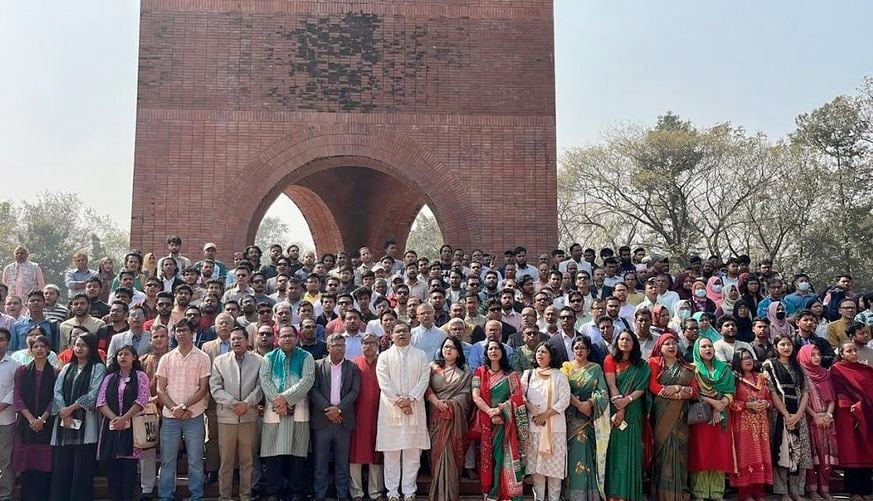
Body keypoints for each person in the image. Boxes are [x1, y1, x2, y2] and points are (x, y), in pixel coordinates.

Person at [156, 319, 212, 501]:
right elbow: (159, 389)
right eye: (177, 331)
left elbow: (203, 389)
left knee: (195, 460)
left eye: (184, 330)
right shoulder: (167, 358)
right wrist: (174, 408)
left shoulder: (203, 357)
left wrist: (184, 407)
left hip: (193, 415)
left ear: (192, 333)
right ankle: (165, 496)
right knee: (167, 460)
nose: (180, 334)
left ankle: (196, 495)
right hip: (170, 416)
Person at [259, 325, 315, 501]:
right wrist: (280, 403)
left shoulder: (306, 356)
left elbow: (307, 380)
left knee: (297, 454)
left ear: (297, 337)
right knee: (272, 454)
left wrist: (285, 399)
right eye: (283, 336)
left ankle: (295, 491)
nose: (287, 339)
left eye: (290, 335)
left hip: (298, 411)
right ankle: (274, 491)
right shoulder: (269, 357)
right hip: (274, 412)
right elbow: (265, 381)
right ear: (277, 338)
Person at [375, 322, 431, 501]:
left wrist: (411, 398)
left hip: (414, 408)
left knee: (413, 453)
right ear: (391, 335)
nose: (401, 334)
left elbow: (424, 379)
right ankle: (392, 492)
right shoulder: (384, 356)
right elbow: (383, 382)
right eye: (397, 332)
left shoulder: (421, 355)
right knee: (391, 453)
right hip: (390, 409)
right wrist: (400, 401)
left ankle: (409, 491)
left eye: (404, 331)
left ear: (410, 335)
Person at [49, 331, 107, 501]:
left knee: (82, 468)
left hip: (86, 424)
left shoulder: (98, 367)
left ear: (91, 348)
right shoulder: (67, 367)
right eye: (77, 344)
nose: (79, 348)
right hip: (63, 424)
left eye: (83, 345)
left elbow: (93, 393)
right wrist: (63, 412)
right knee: (62, 466)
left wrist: (71, 409)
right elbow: (57, 391)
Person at [209, 326, 264, 501]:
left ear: (247, 341)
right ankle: (224, 497)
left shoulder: (259, 360)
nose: (236, 342)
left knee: (247, 460)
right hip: (227, 417)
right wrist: (233, 404)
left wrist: (247, 403)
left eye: (239, 338)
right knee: (226, 461)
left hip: (248, 416)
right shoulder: (219, 361)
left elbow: (261, 386)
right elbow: (215, 388)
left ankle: (245, 496)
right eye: (233, 339)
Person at [470, 339, 528, 501]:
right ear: (486, 353)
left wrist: (501, 410)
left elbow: (517, 398)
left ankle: (503, 492)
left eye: (497, 348)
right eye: (490, 349)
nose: (493, 351)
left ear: (502, 352)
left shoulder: (512, 375)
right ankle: (490, 492)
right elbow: (475, 396)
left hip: (506, 423)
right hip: (486, 422)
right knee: (489, 458)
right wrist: (490, 411)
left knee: (502, 457)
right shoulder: (479, 372)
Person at [310, 333, 361, 501]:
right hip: (322, 420)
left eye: (342, 345)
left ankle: (342, 495)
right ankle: (320, 495)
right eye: (336, 345)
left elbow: (354, 392)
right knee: (320, 463)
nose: (340, 348)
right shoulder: (317, 366)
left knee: (342, 462)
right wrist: (329, 410)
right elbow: (313, 390)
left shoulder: (352, 367)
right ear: (328, 347)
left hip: (343, 421)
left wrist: (338, 410)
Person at [96, 345, 150, 501]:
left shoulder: (140, 376)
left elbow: (141, 400)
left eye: (126, 354)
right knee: (113, 472)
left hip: (132, 428)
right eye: (120, 354)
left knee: (129, 473)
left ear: (134, 357)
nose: (122, 357)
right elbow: (101, 402)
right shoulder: (109, 378)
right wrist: (115, 419)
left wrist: (125, 418)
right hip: (112, 429)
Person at [763, 333, 812, 500]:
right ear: (775, 347)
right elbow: (772, 392)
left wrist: (798, 414)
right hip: (779, 415)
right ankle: (783, 491)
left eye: (789, 344)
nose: (786, 347)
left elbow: (805, 392)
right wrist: (786, 415)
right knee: (782, 451)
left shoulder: (799, 367)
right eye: (782, 344)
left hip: (799, 415)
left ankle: (796, 491)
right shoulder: (769, 365)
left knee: (800, 452)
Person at [649, 333, 697, 501]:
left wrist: (679, 389)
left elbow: (694, 390)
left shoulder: (687, 367)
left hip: (682, 416)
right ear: (660, 348)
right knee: (663, 452)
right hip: (662, 414)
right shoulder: (654, 363)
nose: (671, 346)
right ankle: (662, 494)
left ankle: (681, 493)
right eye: (666, 344)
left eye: (674, 343)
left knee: (680, 453)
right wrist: (673, 393)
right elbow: (653, 385)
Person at [562, 335, 611, 501]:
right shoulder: (566, 369)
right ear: (572, 350)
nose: (579, 351)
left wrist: (589, 403)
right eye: (576, 348)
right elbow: (561, 391)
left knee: (587, 455)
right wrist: (578, 404)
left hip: (589, 419)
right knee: (573, 455)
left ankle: (588, 495)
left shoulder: (596, 368)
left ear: (588, 350)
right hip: (570, 419)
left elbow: (603, 393)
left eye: (583, 348)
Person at [603, 330, 649, 501]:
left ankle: (629, 494)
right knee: (615, 452)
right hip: (615, 409)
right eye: (621, 339)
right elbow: (611, 385)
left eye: (628, 339)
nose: (624, 342)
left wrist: (627, 401)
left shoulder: (642, 365)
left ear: (634, 343)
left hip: (634, 409)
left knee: (632, 450)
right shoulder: (609, 360)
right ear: (617, 342)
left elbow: (641, 388)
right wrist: (620, 407)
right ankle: (614, 494)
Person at [425, 336, 473, 501]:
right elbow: (426, 388)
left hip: (455, 418)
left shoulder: (466, 371)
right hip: (436, 416)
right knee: (437, 454)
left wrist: (451, 404)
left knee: (452, 455)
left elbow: (467, 395)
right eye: (445, 347)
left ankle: (451, 495)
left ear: (458, 352)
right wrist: (437, 402)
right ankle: (437, 494)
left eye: (452, 347)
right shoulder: (433, 367)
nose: (448, 350)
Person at [521, 342, 571, 501]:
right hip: (534, 428)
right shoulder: (528, 374)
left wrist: (545, 415)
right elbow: (519, 396)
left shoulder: (559, 375)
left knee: (554, 472)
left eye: (544, 352)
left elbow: (565, 400)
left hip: (555, 428)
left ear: (551, 356)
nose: (540, 354)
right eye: (538, 352)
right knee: (537, 471)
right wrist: (530, 407)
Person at [689, 337, 736, 500]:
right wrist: (714, 403)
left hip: (722, 416)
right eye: (703, 347)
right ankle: (699, 493)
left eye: (710, 346)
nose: (708, 349)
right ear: (697, 350)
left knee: (719, 453)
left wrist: (721, 405)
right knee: (701, 453)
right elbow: (694, 392)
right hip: (701, 417)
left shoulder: (724, 368)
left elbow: (731, 390)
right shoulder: (693, 370)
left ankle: (717, 493)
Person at [12, 334, 55, 501]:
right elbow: (17, 398)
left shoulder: (55, 372)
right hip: (26, 425)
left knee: (44, 468)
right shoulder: (22, 371)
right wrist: (31, 419)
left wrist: (42, 419)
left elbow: (55, 399)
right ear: (30, 351)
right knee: (27, 469)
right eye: (35, 346)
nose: (39, 349)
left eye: (42, 346)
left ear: (48, 350)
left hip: (47, 424)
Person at [830, 339, 873, 500]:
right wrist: (853, 407)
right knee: (853, 452)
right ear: (841, 354)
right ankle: (854, 492)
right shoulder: (836, 370)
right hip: (848, 415)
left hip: (867, 415)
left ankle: (867, 490)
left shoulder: (867, 370)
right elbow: (839, 392)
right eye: (849, 351)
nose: (854, 353)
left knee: (867, 452)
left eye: (855, 350)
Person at [729, 347, 773, 501]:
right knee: (746, 456)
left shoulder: (761, 377)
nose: (747, 361)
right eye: (743, 359)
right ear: (737, 362)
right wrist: (747, 405)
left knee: (761, 455)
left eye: (749, 357)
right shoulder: (733, 379)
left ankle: (759, 492)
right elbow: (730, 402)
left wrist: (765, 404)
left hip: (761, 424)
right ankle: (745, 494)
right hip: (743, 424)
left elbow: (769, 398)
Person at [797, 344, 838, 500]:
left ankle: (825, 489)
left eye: (818, 354)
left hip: (827, 420)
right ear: (805, 356)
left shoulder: (825, 374)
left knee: (826, 456)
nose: (816, 357)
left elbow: (832, 398)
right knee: (812, 456)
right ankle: (812, 489)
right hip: (809, 419)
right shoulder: (801, 374)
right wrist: (815, 416)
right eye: (812, 354)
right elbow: (803, 399)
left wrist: (828, 415)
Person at [349, 332, 384, 501]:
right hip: (357, 415)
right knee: (355, 453)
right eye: (365, 343)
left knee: (376, 455)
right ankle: (356, 492)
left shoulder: (384, 363)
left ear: (378, 344)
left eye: (372, 342)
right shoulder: (354, 364)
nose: (368, 346)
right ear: (361, 345)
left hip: (380, 415)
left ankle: (375, 492)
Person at [139, 325, 169, 498]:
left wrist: (163, 399)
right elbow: (140, 384)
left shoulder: (175, 357)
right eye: (155, 336)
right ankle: (147, 488)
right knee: (148, 450)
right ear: (150, 339)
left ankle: (167, 486)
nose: (158, 339)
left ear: (168, 337)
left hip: (170, 411)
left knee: (168, 451)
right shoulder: (144, 360)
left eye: (162, 336)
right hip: (149, 412)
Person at [0, 328, 19, 501]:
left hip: (6, 420)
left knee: (5, 459)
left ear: (8, 342)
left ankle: (5, 494)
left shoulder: (14, 365)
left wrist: (1, 406)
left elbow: (15, 391)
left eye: (1, 339)